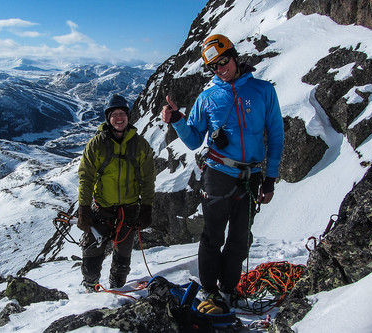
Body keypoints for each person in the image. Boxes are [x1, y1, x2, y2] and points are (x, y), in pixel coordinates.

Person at [161, 34, 284, 313]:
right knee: (213, 235)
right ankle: (210, 290)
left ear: (234, 56)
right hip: (217, 173)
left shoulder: (263, 91)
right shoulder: (208, 98)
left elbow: (276, 135)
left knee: (241, 238)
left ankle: (229, 289)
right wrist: (178, 120)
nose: (220, 68)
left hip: (251, 175)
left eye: (223, 61)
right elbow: (193, 140)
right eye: (214, 66)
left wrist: (270, 179)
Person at [77, 94, 156, 292]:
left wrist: (146, 207)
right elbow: (86, 178)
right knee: (92, 256)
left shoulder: (140, 145)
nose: (119, 118)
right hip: (101, 210)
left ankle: (117, 288)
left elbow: (148, 179)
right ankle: (90, 287)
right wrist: (83, 208)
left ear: (128, 117)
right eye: (115, 114)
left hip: (129, 210)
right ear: (108, 118)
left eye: (123, 114)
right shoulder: (96, 144)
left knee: (123, 258)